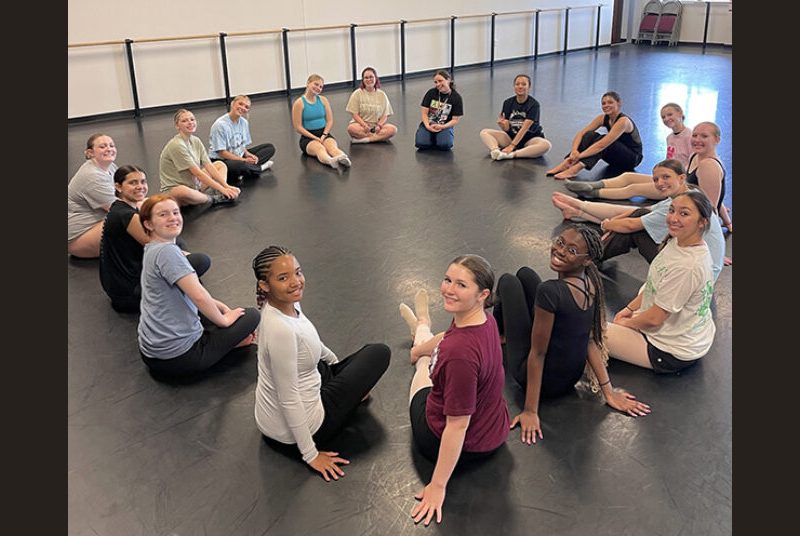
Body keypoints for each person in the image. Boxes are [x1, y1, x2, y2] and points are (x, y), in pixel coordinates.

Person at [493, 224, 650, 444]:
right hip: (568, 379)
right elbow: (588, 341)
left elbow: (538, 354)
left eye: (572, 250)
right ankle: (503, 330)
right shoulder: (591, 283)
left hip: (540, 381)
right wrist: (609, 391)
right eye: (560, 242)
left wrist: (530, 410)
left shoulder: (550, 291)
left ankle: (501, 333)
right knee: (525, 274)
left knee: (508, 281)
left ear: (587, 260)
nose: (560, 250)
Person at [252, 245, 390, 481]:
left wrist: (337, 368)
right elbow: (288, 397)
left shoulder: (285, 302)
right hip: (305, 427)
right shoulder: (280, 331)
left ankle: (343, 384)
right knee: (378, 353)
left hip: (291, 400)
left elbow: (312, 344)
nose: (296, 282)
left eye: (298, 272)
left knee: (353, 363)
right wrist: (310, 454)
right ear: (265, 285)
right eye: (283, 278)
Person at [397, 255, 509, 526]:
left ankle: (421, 326)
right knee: (426, 354)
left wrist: (437, 485)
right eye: (448, 280)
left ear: (482, 294)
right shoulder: (484, 320)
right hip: (494, 427)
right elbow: (447, 339)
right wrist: (418, 350)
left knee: (424, 372)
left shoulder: (458, 354)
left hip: (463, 444)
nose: (448, 289)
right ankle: (420, 332)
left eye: (461, 285)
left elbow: (457, 426)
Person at [137, 194, 259, 377]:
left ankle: (223, 340)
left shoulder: (152, 248)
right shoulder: (168, 253)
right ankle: (226, 346)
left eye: (175, 212)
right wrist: (223, 320)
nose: (172, 218)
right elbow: (199, 296)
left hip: (151, 353)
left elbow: (193, 292)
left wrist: (221, 307)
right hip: (179, 358)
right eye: (163, 215)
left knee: (214, 312)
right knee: (251, 316)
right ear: (148, 224)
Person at [552, 159, 728, 280]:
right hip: (702, 266)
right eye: (656, 179)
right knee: (639, 215)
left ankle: (591, 256)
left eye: (666, 177)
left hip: (698, 273)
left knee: (636, 230)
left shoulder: (678, 205)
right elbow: (640, 211)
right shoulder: (689, 193)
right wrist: (610, 224)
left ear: (681, 178)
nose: (660, 183)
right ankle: (586, 232)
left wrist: (606, 224)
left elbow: (631, 225)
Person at [606, 190, 716, 373]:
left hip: (670, 351)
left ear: (702, 222)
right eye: (672, 210)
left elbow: (654, 319)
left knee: (585, 332)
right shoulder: (678, 241)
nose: (673, 218)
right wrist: (628, 310)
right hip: (685, 332)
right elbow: (653, 284)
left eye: (684, 214)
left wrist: (627, 323)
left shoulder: (688, 266)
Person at [99, 165, 211, 313]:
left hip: (120, 288)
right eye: (133, 183)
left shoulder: (119, 208)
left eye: (143, 182)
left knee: (180, 245)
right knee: (200, 261)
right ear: (118, 187)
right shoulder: (126, 215)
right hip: (130, 293)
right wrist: (185, 260)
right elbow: (161, 248)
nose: (140, 186)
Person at [565, 103, 692, 199]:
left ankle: (593, 193)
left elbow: (692, 166)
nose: (666, 119)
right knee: (628, 177)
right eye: (663, 117)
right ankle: (594, 185)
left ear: (680, 113)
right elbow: (670, 161)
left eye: (670, 115)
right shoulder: (670, 137)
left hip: (679, 184)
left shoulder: (689, 137)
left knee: (634, 188)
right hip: (669, 178)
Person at [545, 91, 643, 179]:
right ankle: (566, 163)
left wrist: (579, 156)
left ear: (619, 103)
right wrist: (574, 152)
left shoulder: (623, 121)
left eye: (610, 102)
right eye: (603, 103)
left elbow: (602, 145)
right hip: (615, 157)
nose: (606, 105)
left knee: (604, 141)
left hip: (631, 159)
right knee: (589, 135)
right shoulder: (603, 118)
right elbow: (582, 133)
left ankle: (575, 169)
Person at [159, 108, 240, 206]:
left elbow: (209, 165)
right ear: (177, 125)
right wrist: (222, 188)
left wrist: (226, 186)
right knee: (182, 191)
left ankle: (217, 194)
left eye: (192, 119)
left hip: (194, 185)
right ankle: (212, 199)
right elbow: (198, 173)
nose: (190, 123)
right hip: (176, 190)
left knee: (219, 165)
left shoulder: (196, 140)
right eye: (184, 121)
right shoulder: (177, 145)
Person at [67, 134, 119, 258]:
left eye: (111, 145)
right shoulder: (91, 176)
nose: (109, 149)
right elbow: (119, 208)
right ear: (90, 153)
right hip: (79, 237)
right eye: (102, 146)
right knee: (128, 219)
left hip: (96, 225)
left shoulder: (111, 167)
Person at [479, 74, 551, 160]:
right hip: (512, 137)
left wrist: (512, 146)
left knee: (546, 145)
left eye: (524, 84)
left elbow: (525, 128)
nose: (520, 86)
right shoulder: (507, 102)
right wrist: (503, 125)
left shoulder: (534, 105)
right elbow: (507, 129)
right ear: (514, 86)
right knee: (484, 132)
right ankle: (495, 152)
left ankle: (511, 155)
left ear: (529, 87)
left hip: (530, 140)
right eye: (517, 84)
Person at [208, 94, 276, 182]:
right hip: (222, 161)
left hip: (238, 155)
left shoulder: (244, 123)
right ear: (233, 104)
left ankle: (249, 169)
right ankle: (259, 168)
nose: (243, 108)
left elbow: (241, 145)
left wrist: (248, 154)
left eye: (246, 107)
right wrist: (243, 160)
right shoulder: (220, 125)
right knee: (241, 165)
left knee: (269, 148)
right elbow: (222, 153)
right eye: (240, 104)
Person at [292, 74, 351, 169]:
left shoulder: (323, 100)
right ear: (308, 83)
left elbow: (330, 120)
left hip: (324, 134)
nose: (318, 88)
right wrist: (315, 138)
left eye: (321, 87)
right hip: (308, 138)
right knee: (320, 149)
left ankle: (343, 157)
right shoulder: (299, 103)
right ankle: (330, 161)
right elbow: (298, 127)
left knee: (332, 148)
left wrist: (324, 135)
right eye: (316, 84)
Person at [685, 122, 732, 232]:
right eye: (694, 135)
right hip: (688, 209)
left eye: (704, 136)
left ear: (717, 140)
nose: (697, 140)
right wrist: (727, 222)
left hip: (697, 223)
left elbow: (709, 207)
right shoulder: (695, 156)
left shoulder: (709, 166)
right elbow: (716, 197)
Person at [414, 70, 464, 151]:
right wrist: (427, 126)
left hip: (444, 125)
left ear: (448, 80)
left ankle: (438, 137)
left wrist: (442, 126)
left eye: (440, 81)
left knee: (445, 145)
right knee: (421, 144)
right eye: (435, 82)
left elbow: (455, 120)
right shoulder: (431, 93)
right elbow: (424, 113)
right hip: (429, 123)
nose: (438, 84)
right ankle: (431, 136)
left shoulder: (456, 98)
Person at [345, 67, 397, 143]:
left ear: (376, 78)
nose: (369, 80)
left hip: (376, 127)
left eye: (371, 77)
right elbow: (354, 114)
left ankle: (365, 139)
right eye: (366, 78)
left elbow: (385, 115)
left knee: (393, 130)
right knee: (351, 128)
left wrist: (379, 125)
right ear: (363, 80)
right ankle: (378, 138)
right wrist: (364, 125)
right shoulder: (357, 93)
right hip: (361, 126)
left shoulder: (382, 94)